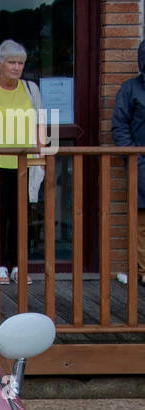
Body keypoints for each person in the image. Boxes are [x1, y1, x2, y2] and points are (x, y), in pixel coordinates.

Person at [0, 40, 48, 286]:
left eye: (21, 63)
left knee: (21, 217)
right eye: (12, 62)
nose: (17, 67)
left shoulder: (31, 89)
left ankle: (18, 266)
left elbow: (40, 125)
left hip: (25, 165)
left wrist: (41, 160)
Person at [111, 40, 145, 286]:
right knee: (142, 220)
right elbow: (120, 126)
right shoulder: (131, 88)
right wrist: (135, 157)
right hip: (141, 164)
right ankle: (143, 272)